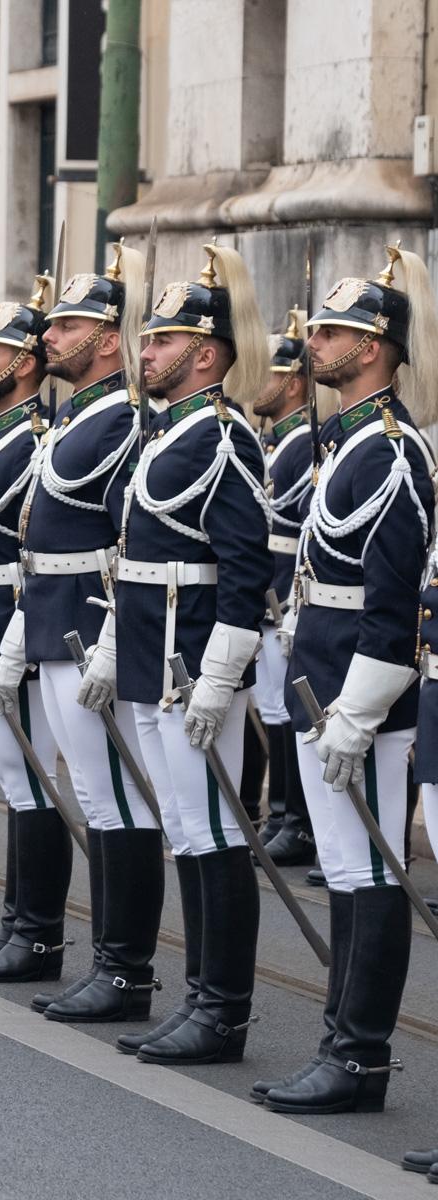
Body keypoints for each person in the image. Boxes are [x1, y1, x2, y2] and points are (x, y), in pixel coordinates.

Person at [254, 249, 437, 1113]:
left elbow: (393, 603)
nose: (312, 344)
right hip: (320, 676)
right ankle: (339, 1038)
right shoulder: (346, 441)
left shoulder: (392, 453)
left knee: (370, 870)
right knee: (343, 868)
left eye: (328, 332)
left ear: (374, 348)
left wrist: (357, 714)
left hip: (361, 694)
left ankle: (359, 1057)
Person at [0, 244, 164, 1027]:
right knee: (94, 798)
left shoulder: (124, 419)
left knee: (117, 802)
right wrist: (22, 639)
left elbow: (134, 538)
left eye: (66, 326)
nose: (48, 337)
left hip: (93, 624)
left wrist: (116, 636)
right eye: (52, 324)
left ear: (105, 337)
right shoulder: (71, 417)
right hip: (55, 616)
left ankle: (125, 973)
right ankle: (97, 961)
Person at [110, 245, 271, 1066]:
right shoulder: (167, 431)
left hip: (190, 661)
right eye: (147, 341)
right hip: (148, 650)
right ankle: (199, 994)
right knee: (183, 828)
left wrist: (220, 676)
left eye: (163, 342)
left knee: (214, 833)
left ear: (205, 354)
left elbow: (247, 568)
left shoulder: (224, 436)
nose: (146, 354)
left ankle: (224, 1009)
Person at [0, 280, 71, 983]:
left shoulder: (35, 438)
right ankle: (18, 923)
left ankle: (41, 934)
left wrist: (19, 638)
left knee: (34, 781)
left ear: (26, 362)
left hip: (14, 616)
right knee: (10, 779)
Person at [253, 311, 318, 867]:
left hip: (286, 597)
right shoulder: (279, 442)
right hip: (271, 596)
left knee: (287, 710)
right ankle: (281, 815)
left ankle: (295, 822)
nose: (257, 386)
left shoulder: (301, 443)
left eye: (268, 376)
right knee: (272, 709)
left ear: (293, 382)